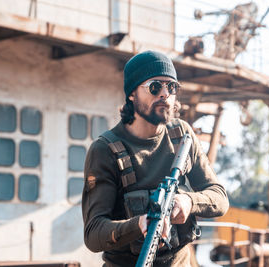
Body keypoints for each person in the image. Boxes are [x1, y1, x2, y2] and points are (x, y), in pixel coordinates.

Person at [82, 50, 229, 267]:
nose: (164, 94)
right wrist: (138, 225)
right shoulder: (105, 150)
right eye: (154, 86)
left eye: (171, 87)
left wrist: (188, 201)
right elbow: (94, 234)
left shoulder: (182, 135)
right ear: (132, 94)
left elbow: (219, 198)